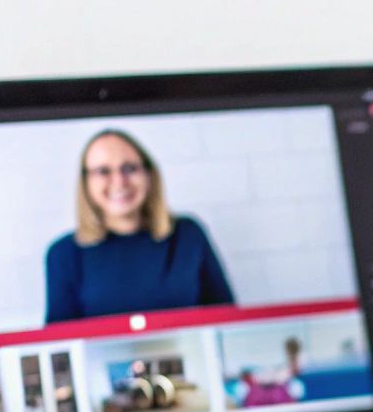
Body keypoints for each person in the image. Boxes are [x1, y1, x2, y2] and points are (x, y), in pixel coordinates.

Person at [44, 130, 235, 322]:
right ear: (85, 183)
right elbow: (60, 337)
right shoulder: (63, 255)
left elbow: (228, 320)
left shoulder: (188, 235)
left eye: (129, 168)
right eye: (103, 171)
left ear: (149, 174)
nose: (119, 182)